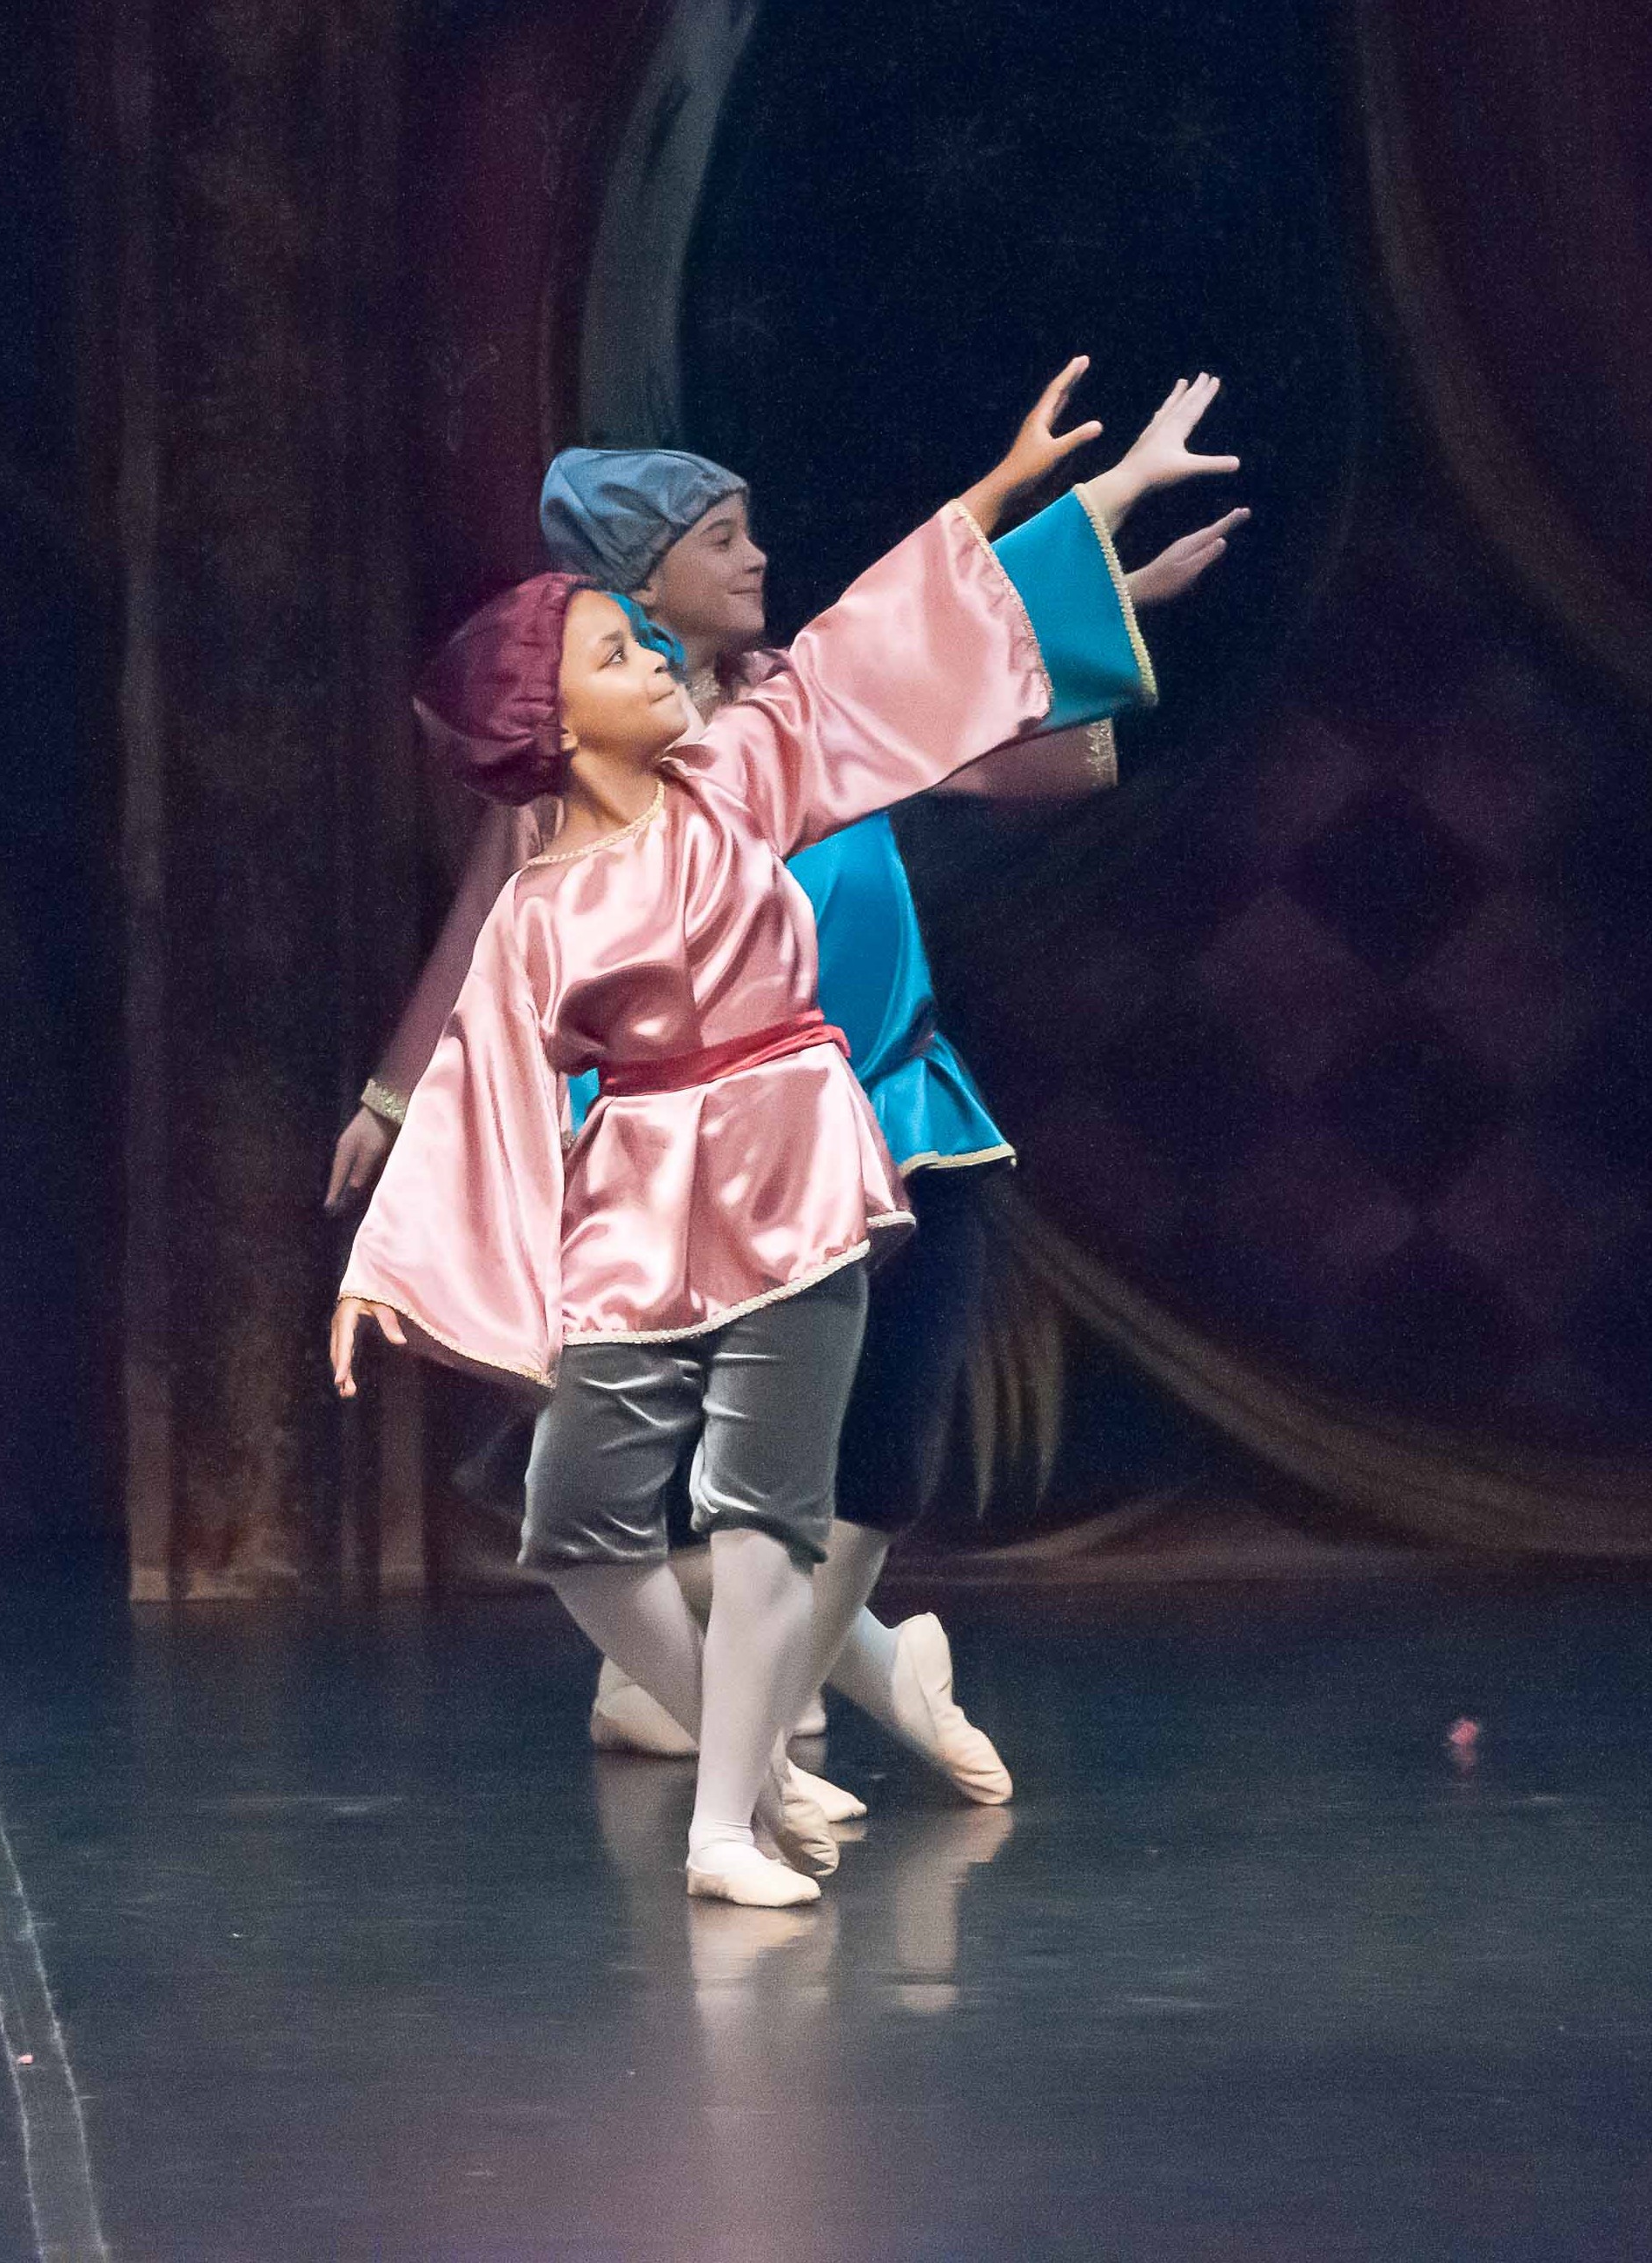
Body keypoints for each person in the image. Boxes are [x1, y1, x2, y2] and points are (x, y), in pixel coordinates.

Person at [331, 363, 1238, 1906]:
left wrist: (1073, 533)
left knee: (807, 1482)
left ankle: (749, 1785)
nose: (755, 557)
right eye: (717, 542)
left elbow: (903, 655)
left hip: (832, 1136)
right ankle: (816, 1697)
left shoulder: (756, 749)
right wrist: (391, 1171)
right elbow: (487, 1016)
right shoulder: (577, 832)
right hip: (651, 1174)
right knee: (597, 1511)